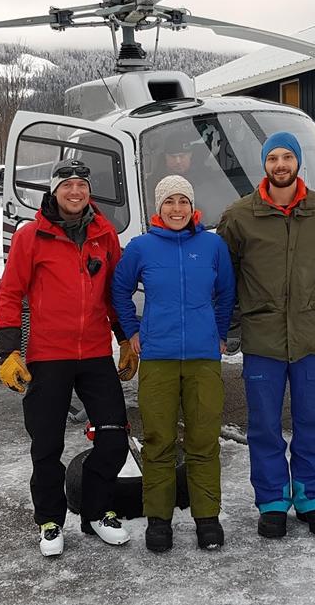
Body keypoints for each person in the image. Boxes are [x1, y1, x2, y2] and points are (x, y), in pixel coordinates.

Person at [0, 159, 141, 557]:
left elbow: (114, 292)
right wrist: (9, 351)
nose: (75, 192)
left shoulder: (104, 233)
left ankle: (96, 511)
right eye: (67, 186)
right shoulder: (31, 237)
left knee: (113, 439)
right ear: (54, 191)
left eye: (81, 185)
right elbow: (9, 294)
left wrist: (125, 338)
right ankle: (50, 520)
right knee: (47, 444)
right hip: (49, 356)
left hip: (94, 353)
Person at [216, 131, 315, 538]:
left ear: (297, 163)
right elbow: (225, 271)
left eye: (287, 157)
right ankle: (273, 500)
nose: (280, 165)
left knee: (313, 420)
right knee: (264, 425)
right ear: (264, 164)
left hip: (311, 335)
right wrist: (237, 314)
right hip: (264, 337)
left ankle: (312, 497)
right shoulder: (240, 215)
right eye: (273, 158)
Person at [111, 175, 236, 553]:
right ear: (158, 208)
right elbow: (119, 288)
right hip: (159, 359)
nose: (177, 209)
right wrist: (132, 329)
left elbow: (227, 291)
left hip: (202, 358)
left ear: (192, 206)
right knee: (159, 441)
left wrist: (218, 331)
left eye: (183, 201)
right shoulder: (141, 247)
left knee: (202, 440)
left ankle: (206, 518)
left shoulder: (212, 245)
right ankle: (159, 520)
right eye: (170, 202)